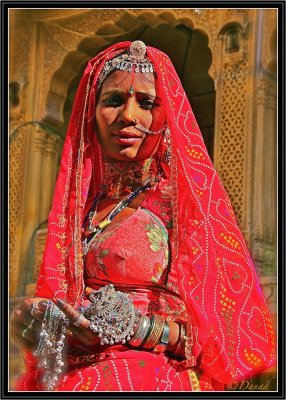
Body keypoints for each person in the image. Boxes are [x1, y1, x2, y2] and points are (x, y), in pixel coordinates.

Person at [11, 40, 276, 392]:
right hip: (68, 375)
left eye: (146, 103)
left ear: (164, 114)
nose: (129, 116)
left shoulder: (186, 206)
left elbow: (222, 337)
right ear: (92, 111)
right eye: (114, 100)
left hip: (152, 377)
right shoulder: (77, 208)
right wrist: (35, 320)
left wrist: (131, 327)